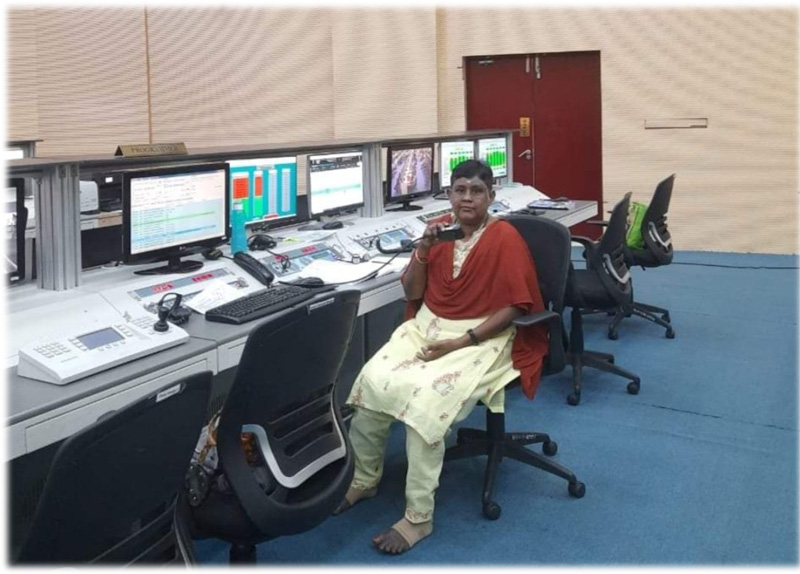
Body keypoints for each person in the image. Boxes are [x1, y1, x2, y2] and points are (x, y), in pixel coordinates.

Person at [335, 159, 549, 554]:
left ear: (491, 196)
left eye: (476, 191)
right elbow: (413, 294)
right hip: (429, 326)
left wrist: (461, 342)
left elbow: (516, 306)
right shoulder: (438, 233)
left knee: (427, 404)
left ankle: (419, 517)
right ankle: (364, 479)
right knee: (371, 382)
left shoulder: (504, 237)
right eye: (459, 190)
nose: (467, 198)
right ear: (449, 194)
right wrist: (423, 249)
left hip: (482, 336)